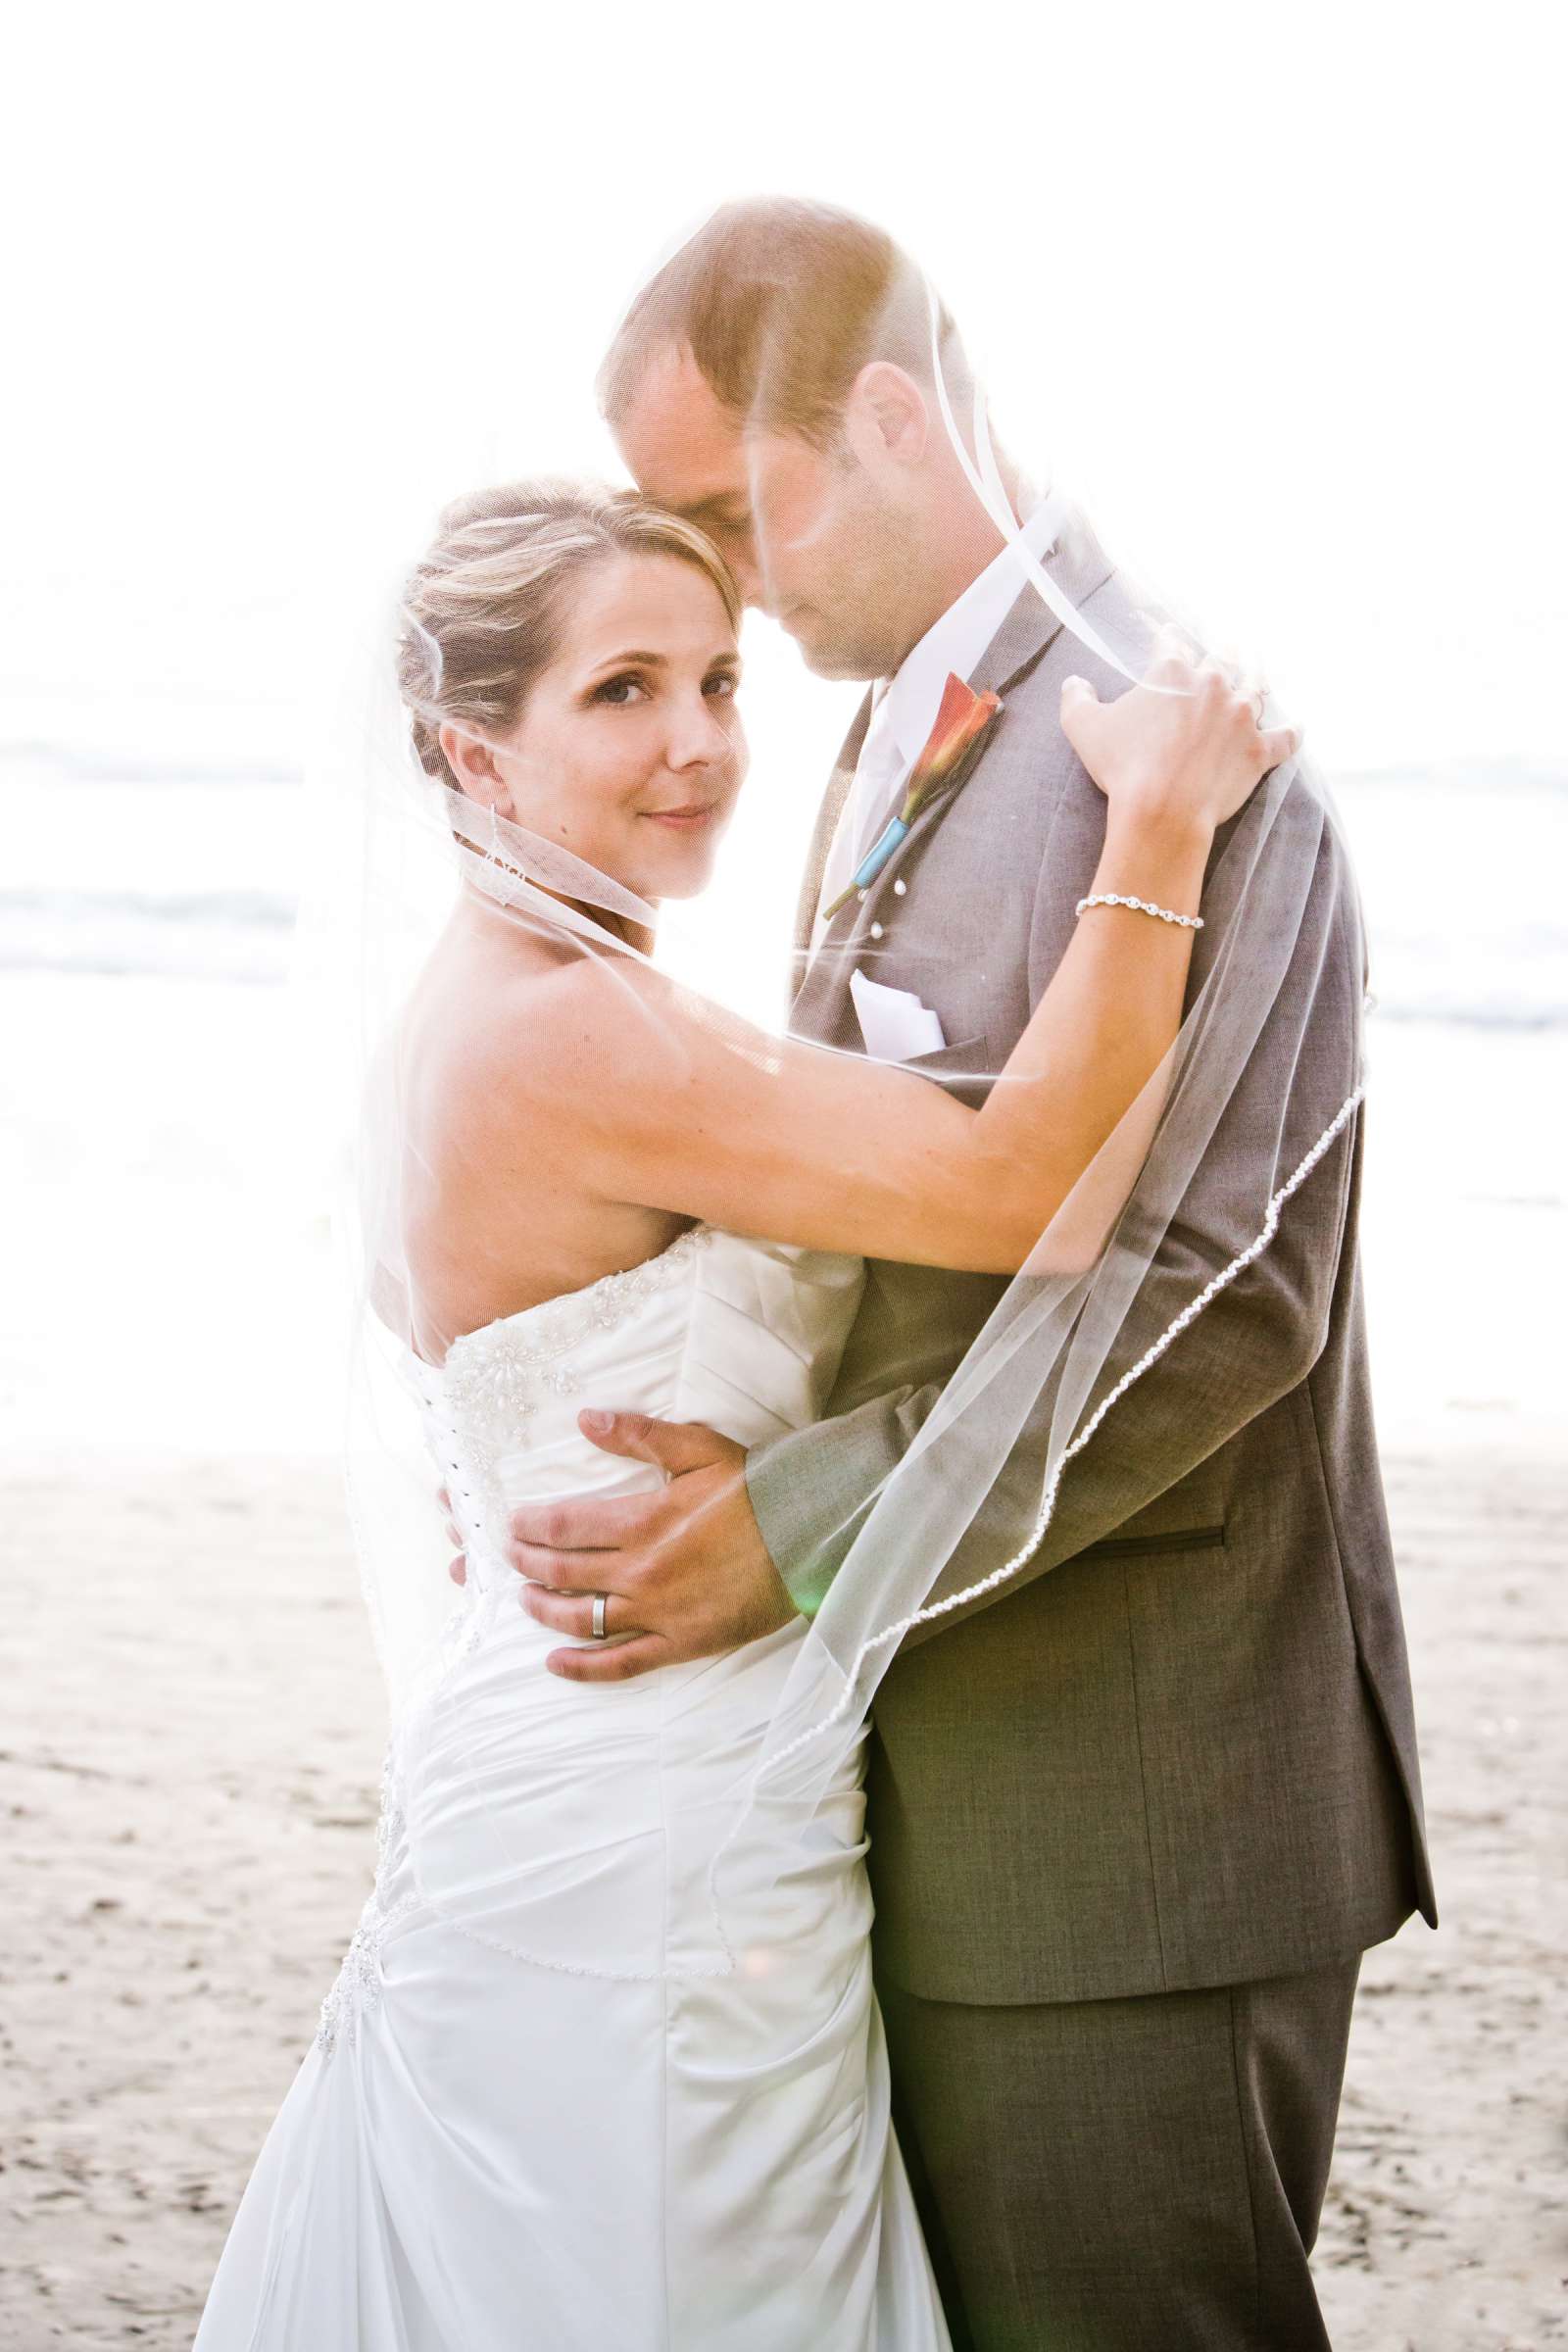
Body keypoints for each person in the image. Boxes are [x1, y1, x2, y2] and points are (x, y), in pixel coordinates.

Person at [487, 199, 1438, 2349]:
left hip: (1128, 1816)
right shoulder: (895, 719)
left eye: (728, 508)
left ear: (891, 418)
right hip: (933, 1784)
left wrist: (793, 1535)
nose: (715, 574)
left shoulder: (1178, 752)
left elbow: (1213, 1298)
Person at [192, 477, 1282, 2350]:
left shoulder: (490, 1004)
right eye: (622, 692)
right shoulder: (579, 1037)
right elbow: (1034, 1195)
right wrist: (1162, 829)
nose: (698, 743)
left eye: (716, 679)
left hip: (584, 1755)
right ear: (479, 750)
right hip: (655, 1820)